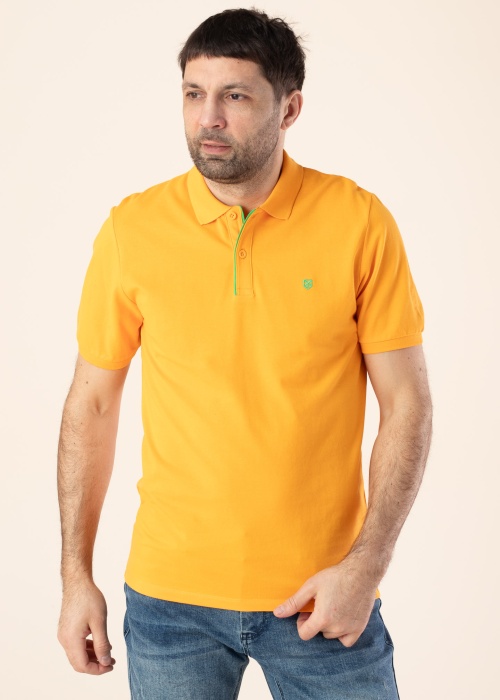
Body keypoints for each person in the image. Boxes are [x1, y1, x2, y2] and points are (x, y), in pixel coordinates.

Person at [57, 8, 432, 699]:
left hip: (325, 597)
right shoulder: (132, 229)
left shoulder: (358, 222)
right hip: (170, 600)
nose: (209, 118)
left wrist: (366, 569)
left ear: (289, 109)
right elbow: (93, 404)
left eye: (235, 95)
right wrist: (75, 576)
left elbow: (407, 403)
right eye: (194, 93)